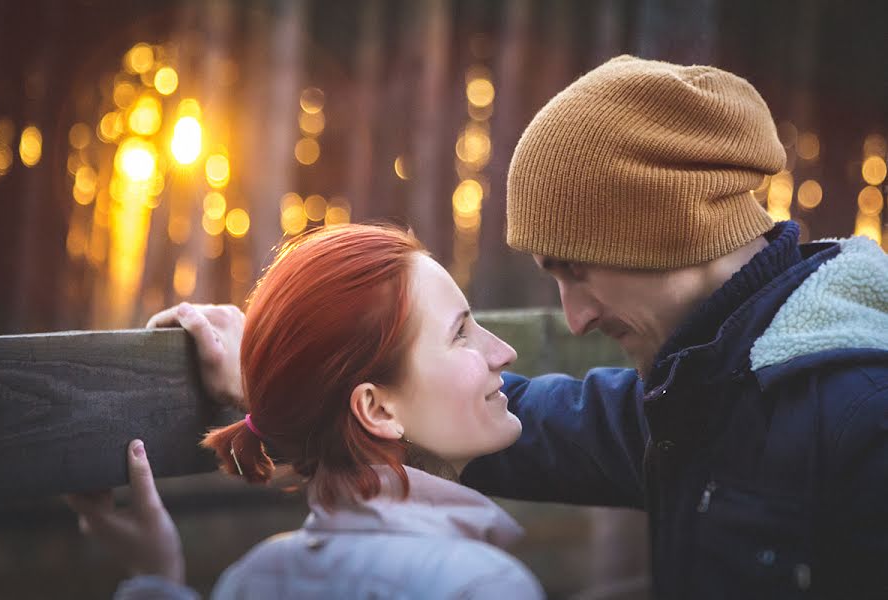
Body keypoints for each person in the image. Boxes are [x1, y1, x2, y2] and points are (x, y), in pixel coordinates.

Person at [141, 55, 887, 598]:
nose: (576, 317)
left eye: (576, 269)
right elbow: (524, 421)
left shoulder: (860, 419)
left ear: (670, 236)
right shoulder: (700, 396)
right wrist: (294, 373)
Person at [65, 224, 545, 599]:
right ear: (375, 409)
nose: (503, 352)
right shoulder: (485, 587)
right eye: (459, 333)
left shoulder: (249, 581)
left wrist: (156, 578)